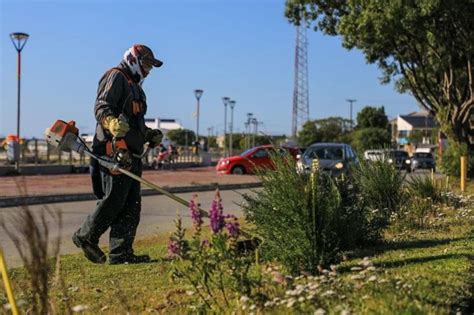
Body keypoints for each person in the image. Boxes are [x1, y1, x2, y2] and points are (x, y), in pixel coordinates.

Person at [73, 44, 163, 264]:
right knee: (114, 199)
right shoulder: (116, 76)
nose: (149, 70)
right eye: (147, 65)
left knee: (131, 204)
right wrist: (110, 122)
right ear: (134, 60)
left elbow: (135, 123)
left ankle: (121, 253)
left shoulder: (137, 87)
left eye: (151, 66)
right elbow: (102, 106)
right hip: (113, 151)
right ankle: (86, 236)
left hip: (131, 153)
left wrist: (149, 134)